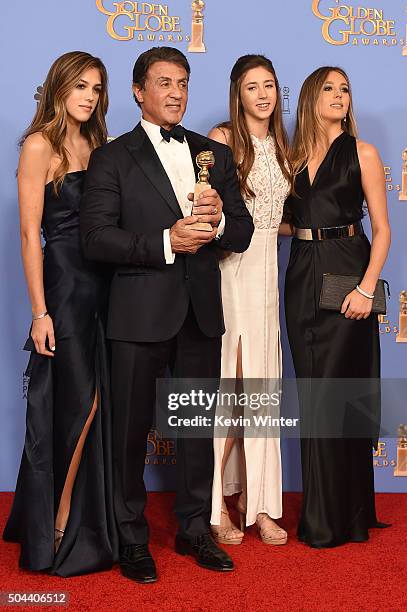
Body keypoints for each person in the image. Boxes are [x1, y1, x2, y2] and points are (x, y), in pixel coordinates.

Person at [80, 46, 254, 583]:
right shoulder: (112, 156)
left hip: (199, 314)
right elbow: (95, 238)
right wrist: (165, 241)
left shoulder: (214, 155)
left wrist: (221, 221)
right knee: (130, 432)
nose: (176, 92)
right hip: (137, 314)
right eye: (163, 82)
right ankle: (131, 537)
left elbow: (243, 234)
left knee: (197, 430)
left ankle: (194, 529)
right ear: (139, 91)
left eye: (183, 82)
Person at [3, 52, 118, 575]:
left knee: (96, 402)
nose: (89, 96)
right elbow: (31, 234)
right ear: (58, 88)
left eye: (96, 88)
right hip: (66, 285)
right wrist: (39, 311)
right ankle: (58, 523)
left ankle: (52, 513)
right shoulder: (39, 146)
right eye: (80, 86)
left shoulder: (99, 144)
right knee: (80, 405)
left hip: (107, 283)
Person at [284, 66, 391, 548]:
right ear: (310, 98)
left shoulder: (362, 153)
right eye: (329, 88)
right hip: (302, 271)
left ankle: (335, 518)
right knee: (313, 396)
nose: (339, 96)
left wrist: (367, 289)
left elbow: (384, 230)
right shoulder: (291, 158)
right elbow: (288, 223)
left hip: (348, 270)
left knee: (338, 395)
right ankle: (331, 509)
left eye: (345, 88)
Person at [208, 55, 291, 546]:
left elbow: (275, 218)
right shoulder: (222, 140)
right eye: (252, 87)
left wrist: (309, 233)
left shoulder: (283, 145)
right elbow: (210, 207)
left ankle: (261, 504)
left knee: (263, 391)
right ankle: (217, 503)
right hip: (227, 270)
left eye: (270, 85)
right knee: (227, 389)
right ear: (237, 94)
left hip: (267, 275)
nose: (262, 94)